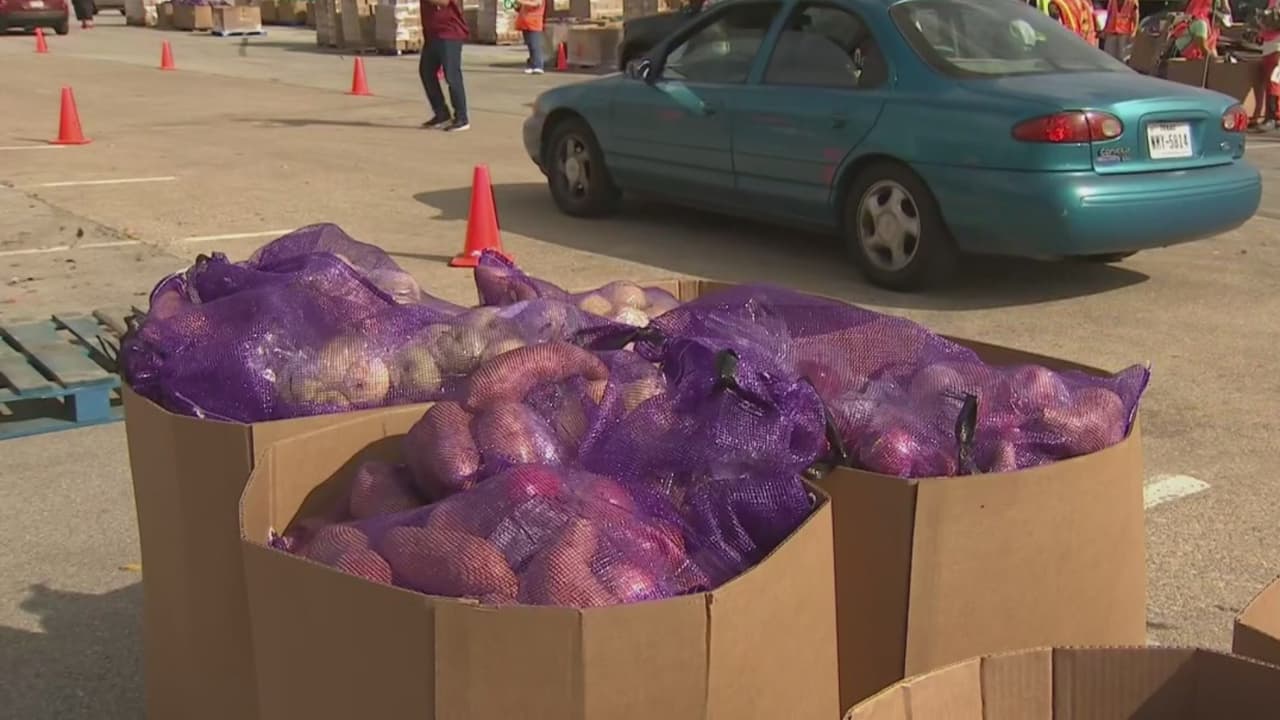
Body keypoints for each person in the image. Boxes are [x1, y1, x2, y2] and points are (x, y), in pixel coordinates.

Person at [419, 0, 471, 132]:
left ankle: (462, 118)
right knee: (426, 71)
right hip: (433, 34)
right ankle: (441, 114)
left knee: (452, 75)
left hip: (449, 32)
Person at [1254, 0, 1280, 129]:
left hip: (1276, 46)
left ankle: (1272, 117)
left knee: (1273, 82)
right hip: (1270, 45)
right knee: (1273, 82)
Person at [516, 0, 546, 74]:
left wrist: (521, 2)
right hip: (525, 24)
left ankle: (538, 66)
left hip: (534, 24)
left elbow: (536, 3)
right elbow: (521, 8)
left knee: (535, 46)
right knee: (530, 46)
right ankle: (531, 65)